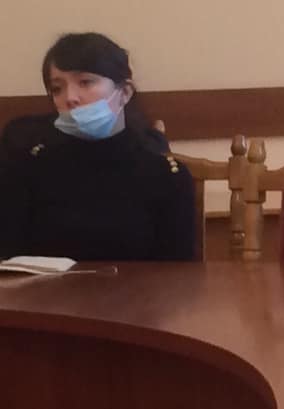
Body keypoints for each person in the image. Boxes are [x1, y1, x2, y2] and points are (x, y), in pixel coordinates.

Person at [0, 32, 196, 262]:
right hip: (46, 287)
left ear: (124, 92)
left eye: (85, 82)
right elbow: (9, 261)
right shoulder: (28, 167)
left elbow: (177, 274)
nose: (70, 97)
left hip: (137, 287)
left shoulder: (167, 175)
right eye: (57, 88)